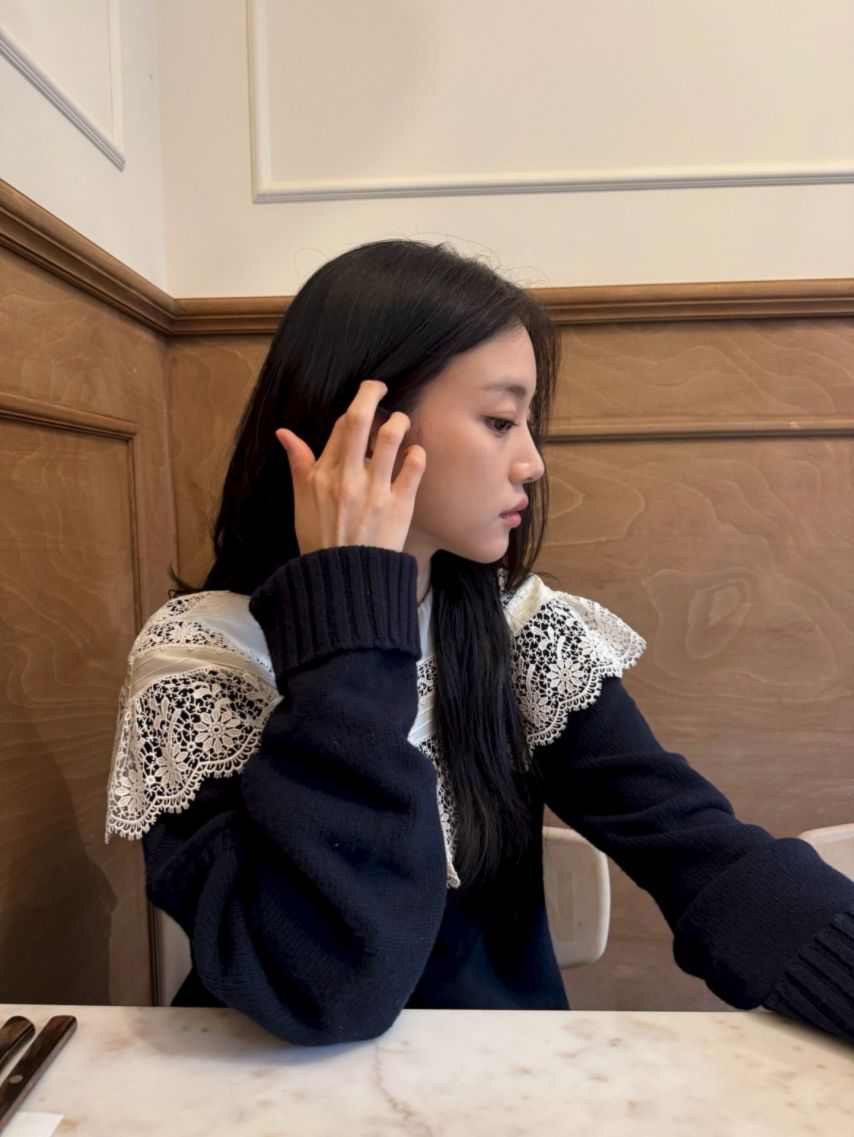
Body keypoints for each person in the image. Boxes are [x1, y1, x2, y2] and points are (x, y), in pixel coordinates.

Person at [105, 240, 854, 1047]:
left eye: (527, 423)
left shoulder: (520, 631)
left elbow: (702, 853)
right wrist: (348, 613)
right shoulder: (202, 660)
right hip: (262, 1083)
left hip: (504, 1078)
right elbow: (323, 986)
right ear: (366, 427)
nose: (532, 462)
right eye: (500, 421)